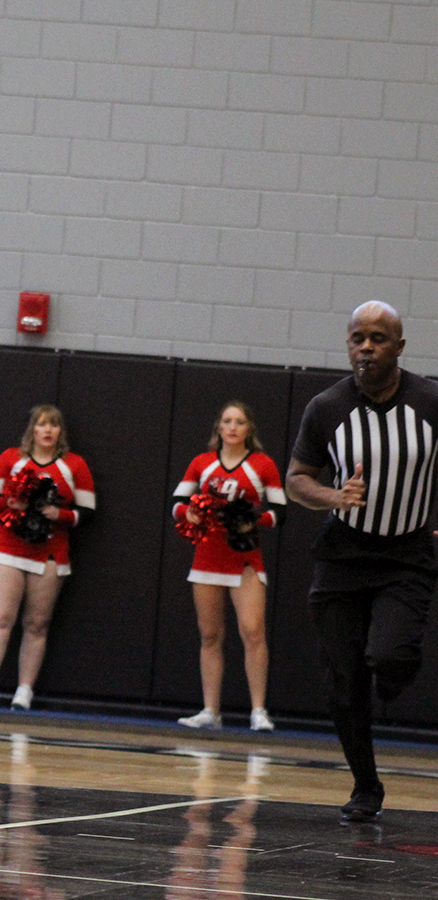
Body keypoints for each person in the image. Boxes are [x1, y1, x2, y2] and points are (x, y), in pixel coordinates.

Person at [286, 300, 438, 823]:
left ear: (399, 345)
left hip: (407, 554)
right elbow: (296, 479)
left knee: (389, 657)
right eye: (357, 338)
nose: (366, 347)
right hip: (343, 555)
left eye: (377, 338)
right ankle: (365, 786)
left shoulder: (431, 401)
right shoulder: (326, 407)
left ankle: (395, 670)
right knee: (342, 681)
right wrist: (333, 497)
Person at [0, 405, 95, 711]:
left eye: (53, 426)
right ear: (32, 430)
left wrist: (60, 514)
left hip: (50, 552)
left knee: (37, 623)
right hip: (7, 547)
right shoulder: (10, 458)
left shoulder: (74, 465)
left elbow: (88, 512)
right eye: (41, 425)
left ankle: (24, 691)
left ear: (60, 431)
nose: (47, 431)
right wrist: (9, 503)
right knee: (0, 617)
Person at [172, 402, 285, 732]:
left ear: (248, 428)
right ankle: (210, 710)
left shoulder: (262, 465)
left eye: (239, 421)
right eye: (227, 421)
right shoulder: (202, 463)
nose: (233, 427)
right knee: (210, 635)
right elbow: (176, 503)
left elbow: (280, 511)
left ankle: (259, 711)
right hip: (208, 555)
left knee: (252, 631)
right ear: (218, 428)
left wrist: (254, 521)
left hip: (245, 557)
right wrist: (187, 513)